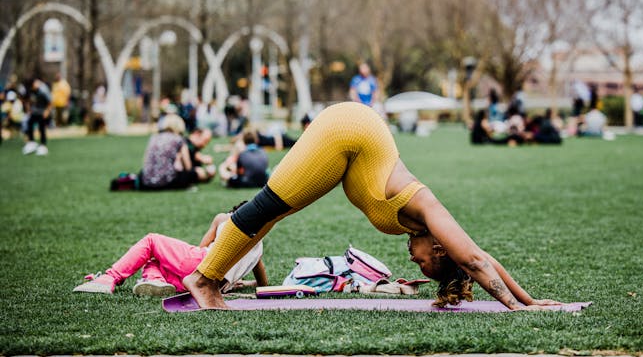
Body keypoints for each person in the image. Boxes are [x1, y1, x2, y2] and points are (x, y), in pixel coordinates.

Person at [183, 102, 562, 310]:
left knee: (275, 210)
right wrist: (521, 307)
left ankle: (208, 276)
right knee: (270, 204)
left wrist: (527, 299)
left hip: (353, 144)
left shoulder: (423, 224)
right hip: (349, 132)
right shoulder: (428, 209)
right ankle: (203, 279)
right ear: (440, 248)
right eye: (426, 265)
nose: (414, 262)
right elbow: (476, 260)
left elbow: (481, 256)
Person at [73, 204, 267, 296]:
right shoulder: (259, 244)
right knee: (155, 260)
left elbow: (201, 249)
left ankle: (109, 278)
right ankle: (153, 281)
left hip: (200, 265)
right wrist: (240, 281)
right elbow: (262, 279)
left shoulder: (225, 219)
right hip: (213, 285)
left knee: (151, 241)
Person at [139, 114, 194, 190]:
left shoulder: (154, 137)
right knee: (192, 173)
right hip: (166, 182)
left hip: (146, 182)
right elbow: (188, 166)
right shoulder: (178, 139)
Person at [22, 79, 52, 156]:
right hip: (34, 112)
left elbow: (50, 102)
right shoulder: (31, 90)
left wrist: (47, 112)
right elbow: (27, 100)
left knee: (41, 128)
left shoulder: (43, 91)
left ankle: (43, 145)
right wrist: (29, 109)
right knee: (29, 124)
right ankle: (31, 142)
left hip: (42, 113)